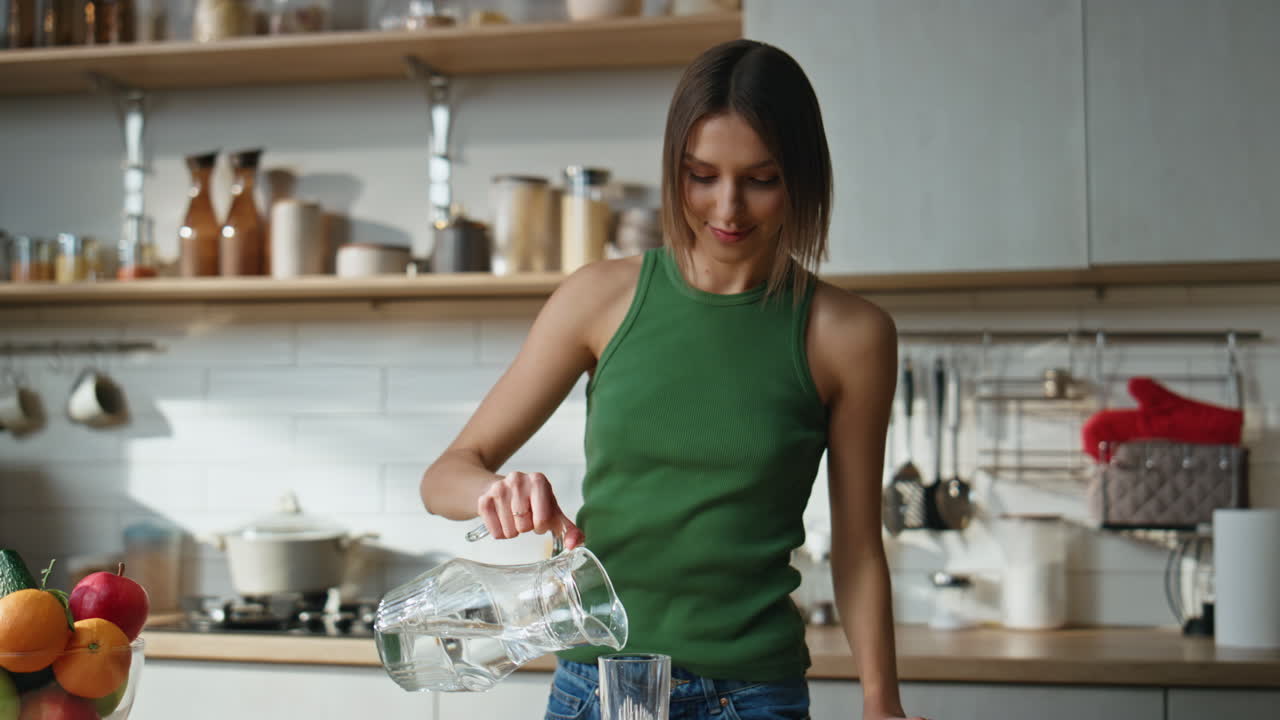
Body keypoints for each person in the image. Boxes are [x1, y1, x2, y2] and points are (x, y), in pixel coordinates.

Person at [420, 39, 926, 720]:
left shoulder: (851, 336)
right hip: (595, 691)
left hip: (752, 699)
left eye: (761, 178)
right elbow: (444, 477)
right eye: (701, 175)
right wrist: (495, 489)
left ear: (801, 175)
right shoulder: (599, 299)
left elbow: (861, 549)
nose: (728, 208)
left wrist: (881, 703)